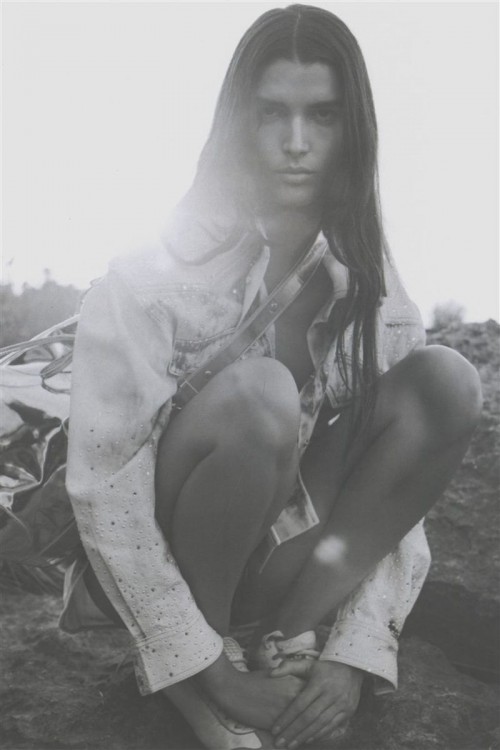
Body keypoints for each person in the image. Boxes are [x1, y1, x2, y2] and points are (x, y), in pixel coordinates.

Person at [62, 5, 482, 749]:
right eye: (271, 114)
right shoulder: (157, 269)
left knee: (446, 383)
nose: (296, 142)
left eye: (322, 115)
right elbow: (105, 491)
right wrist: (204, 668)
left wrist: (354, 653)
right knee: (261, 396)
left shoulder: (371, 279)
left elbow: (397, 497)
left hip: (280, 558)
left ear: (354, 127)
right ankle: (210, 673)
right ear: (239, 120)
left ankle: (287, 640)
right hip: (166, 562)